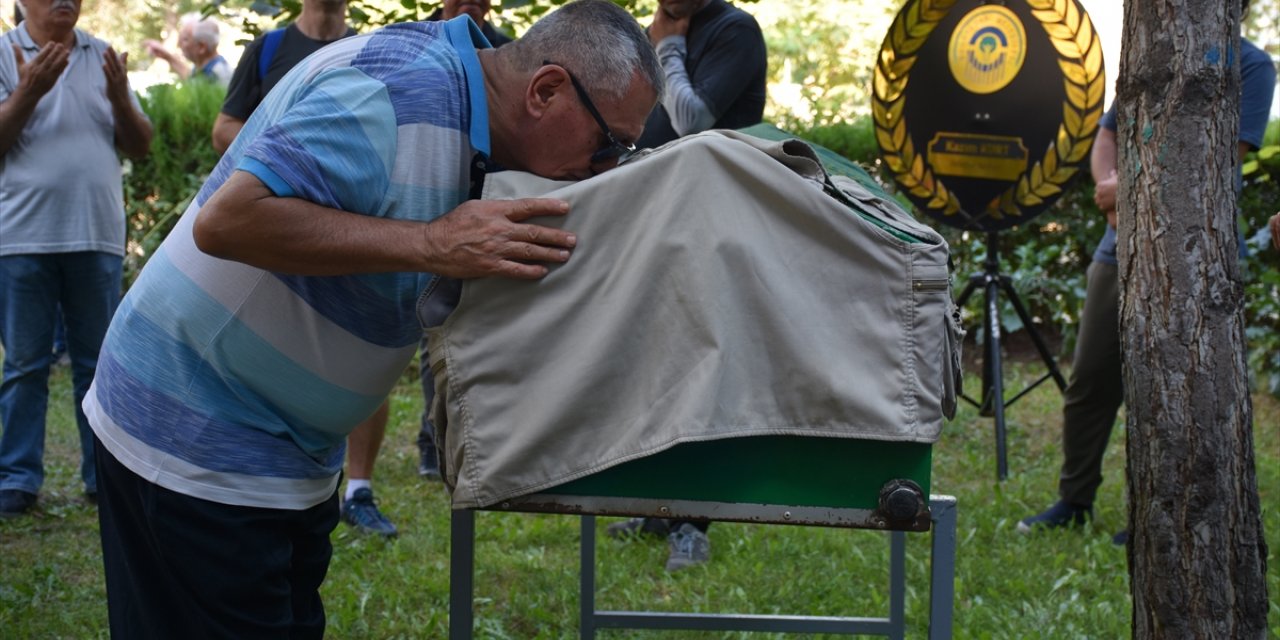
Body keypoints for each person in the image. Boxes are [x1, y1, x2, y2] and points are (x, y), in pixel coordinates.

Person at [84, 1, 662, 635]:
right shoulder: (397, 92)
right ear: (546, 90)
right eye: (610, 146)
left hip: (291, 460)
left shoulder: (474, 117)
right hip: (194, 439)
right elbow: (228, 221)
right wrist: (431, 242)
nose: (601, 170)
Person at [1017, 3, 1275, 542]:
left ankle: (1162, 518)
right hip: (1119, 249)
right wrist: (1113, 194)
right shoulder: (1149, 56)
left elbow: (1220, 157)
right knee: (1089, 381)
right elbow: (1106, 135)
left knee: (1174, 394)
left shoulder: (1250, 65)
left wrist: (1124, 192)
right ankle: (1074, 500)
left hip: (1196, 256)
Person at [212, 0, 405, 537]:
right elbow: (224, 128)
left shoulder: (378, 46)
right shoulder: (269, 49)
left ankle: (359, 491)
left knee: (366, 355)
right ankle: (270, 480)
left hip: (362, 220)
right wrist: (284, 145)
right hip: (284, 226)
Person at [605, 0, 766, 572]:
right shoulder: (643, 28)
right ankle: (658, 505)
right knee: (653, 360)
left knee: (702, 365)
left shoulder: (733, 30)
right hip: (655, 216)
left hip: (713, 224)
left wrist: (668, 46)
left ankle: (693, 523)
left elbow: (693, 120)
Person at [0, 0, 153, 518]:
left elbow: (140, 145)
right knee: (24, 365)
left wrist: (120, 97)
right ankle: (18, 480)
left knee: (98, 366)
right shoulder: (3, 53)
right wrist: (28, 92)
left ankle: (101, 476)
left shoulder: (104, 55)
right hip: (21, 238)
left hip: (96, 235)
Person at [415, 0, 512, 482]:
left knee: (462, 328)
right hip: (424, 222)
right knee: (428, 332)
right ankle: (432, 438)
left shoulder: (508, 52)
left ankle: (465, 436)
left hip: (481, 216)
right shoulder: (408, 43)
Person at [211, 0, 354, 155]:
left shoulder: (367, 51)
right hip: (276, 175)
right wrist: (281, 156)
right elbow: (224, 130)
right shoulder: (266, 48)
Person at [144, 12, 232, 87]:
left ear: (201, 47)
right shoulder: (204, 68)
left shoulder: (219, 76)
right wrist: (167, 57)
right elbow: (190, 79)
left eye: (185, 39)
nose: (179, 44)